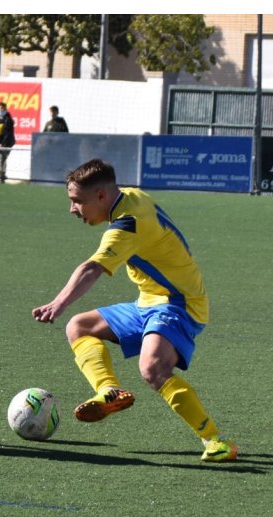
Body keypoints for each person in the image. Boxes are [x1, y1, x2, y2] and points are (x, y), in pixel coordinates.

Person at [31, 159, 237, 463]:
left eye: (77, 201)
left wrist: (57, 303)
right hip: (149, 302)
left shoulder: (128, 224)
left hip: (180, 303)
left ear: (101, 195)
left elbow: (92, 269)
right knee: (79, 326)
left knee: (152, 368)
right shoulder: (130, 195)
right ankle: (109, 391)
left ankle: (216, 441)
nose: (73, 209)